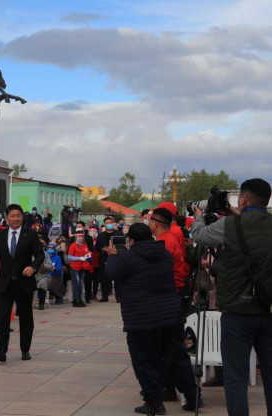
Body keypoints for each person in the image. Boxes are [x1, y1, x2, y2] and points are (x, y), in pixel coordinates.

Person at [191, 178, 272, 416]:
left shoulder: (230, 226)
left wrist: (198, 214)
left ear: (243, 199)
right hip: (269, 310)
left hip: (237, 314)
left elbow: (200, 236)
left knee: (236, 378)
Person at [105, 223, 200, 414]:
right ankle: (192, 397)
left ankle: (154, 402)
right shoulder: (163, 254)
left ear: (131, 240)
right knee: (176, 356)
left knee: (144, 360)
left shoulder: (128, 257)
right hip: (170, 315)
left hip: (142, 318)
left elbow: (111, 273)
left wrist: (112, 254)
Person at [0, 204, 44, 362]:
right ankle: (1, 350)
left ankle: (25, 349)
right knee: (3, 317)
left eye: (18, 215)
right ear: (7, 218)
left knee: (26, 318)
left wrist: (33, 267)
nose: (16, 218)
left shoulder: (30, 234)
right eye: (12, 216)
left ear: (22, 217)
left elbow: (40, 255)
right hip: (4, 283)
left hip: (24, 283)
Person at [149, 208, 189, 294]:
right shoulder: (168, 238)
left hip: (169, 290)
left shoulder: (164, 242)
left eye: (150, 220)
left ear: (155, 224)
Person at [94, 216, 123, 302]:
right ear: (104, 225)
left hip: (116, 257)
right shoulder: (101, 235)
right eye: (107, 223)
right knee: (104, 278)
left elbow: (122, 245)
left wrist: (114, 249)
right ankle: (104, 296)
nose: (109, 224)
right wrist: (103, 249)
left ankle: (119, 297)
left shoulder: (118, 233)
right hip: (104, 258)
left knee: (118, 278)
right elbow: (97, 247)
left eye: (111, 223)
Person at [66, 228, 92, 307]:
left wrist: (88, 256)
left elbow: (88, 252)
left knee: (81, 283)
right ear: (76, 237)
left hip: (83, 266)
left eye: (82, 237)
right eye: (79, 237)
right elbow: (69, 257)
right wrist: (79, 258)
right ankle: (75, 300)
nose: (80, 238)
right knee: (76, 283)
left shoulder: (85, 245)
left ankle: (80, 299)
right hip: (75, 266)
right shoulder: (73, 245)